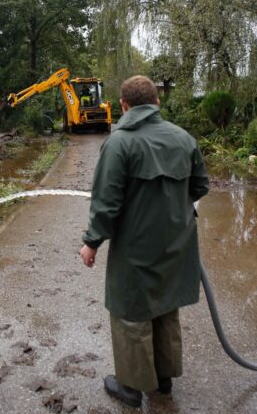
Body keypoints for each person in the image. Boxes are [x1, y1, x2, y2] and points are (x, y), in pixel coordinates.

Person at [79, 75, 210, 408]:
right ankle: (163, 380)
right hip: (177, 244)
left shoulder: (119, 143)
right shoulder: (184, 139)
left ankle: (132, 388)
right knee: (166, 306)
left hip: (136, 246)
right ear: (157, 102)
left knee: (131, 312)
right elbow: (200, 187)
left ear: (123, 105)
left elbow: (106, 203)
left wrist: (91, 242)